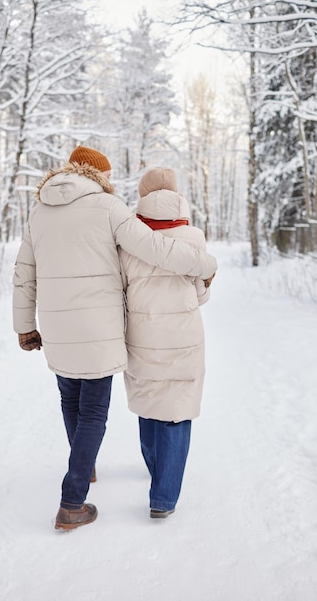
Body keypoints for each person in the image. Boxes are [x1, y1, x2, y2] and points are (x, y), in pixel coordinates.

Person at [13, 146, 217, 531]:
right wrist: (206, 264)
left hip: (56, 327)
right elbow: (155, 248)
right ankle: (72, 501)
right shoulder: (109, 207)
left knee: (69, 397)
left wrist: (25, 325)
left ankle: (84, 464)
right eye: (106, 175)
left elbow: (24, 273)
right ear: (96, 175)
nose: (109, 181)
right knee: (93, 410)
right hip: (98, 326)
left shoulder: (38, 211)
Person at [120, 167, 215, 519]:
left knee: (149, 404)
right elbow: (200, 294)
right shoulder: (194, 237)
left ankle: (155, 470)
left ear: (142, 196)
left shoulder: (128, 237)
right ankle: (164, 496)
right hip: (184, 337)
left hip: (141, 336)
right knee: (177, 411)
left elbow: (122, 288)